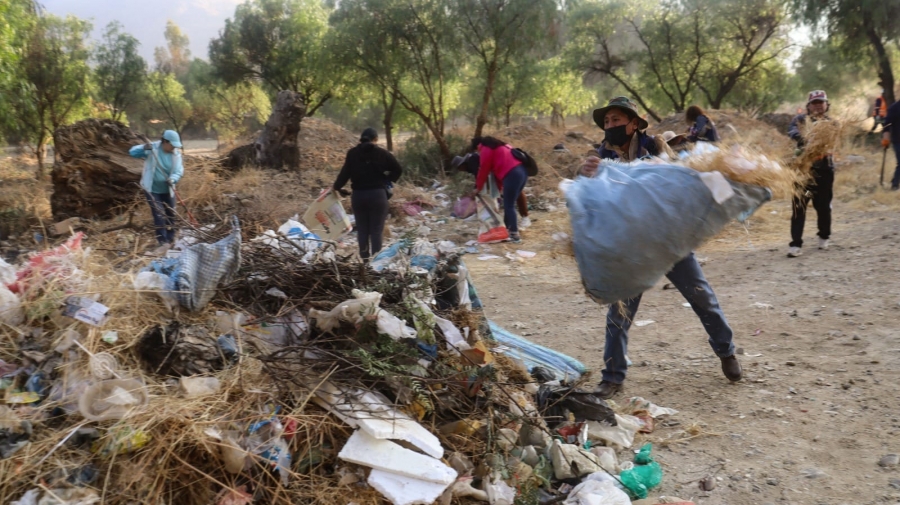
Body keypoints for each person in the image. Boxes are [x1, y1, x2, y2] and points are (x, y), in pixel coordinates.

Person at [580, 96, 741, 399]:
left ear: (633, 123)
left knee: (702, 297)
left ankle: (726, 350)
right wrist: (587, 174)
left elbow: (672, 178)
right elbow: (590, 196)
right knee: (619, 312)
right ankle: (612, 377)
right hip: (630, 245)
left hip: (669, 239)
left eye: (616, 120)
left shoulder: (654, 146)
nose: (611, 126)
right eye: (607, 122)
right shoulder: (599, 154)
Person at [333, 128, 403, 261]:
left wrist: (337, 187)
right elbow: (398, 169)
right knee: (376, 231)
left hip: (358, 197)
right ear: (375, 139)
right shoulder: (382, 153)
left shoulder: (352, 153)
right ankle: (376, 263)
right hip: (378, 196)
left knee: (363, 230)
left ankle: (365, 262)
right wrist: (387, 179)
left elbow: (344, 175)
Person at [787, 90, 836, 257]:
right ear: (808, 106)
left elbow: (834, 138)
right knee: (799, 205)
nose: (818, 105)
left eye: (820, 102)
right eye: (814, 103)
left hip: (824, 174)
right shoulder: (800, 121)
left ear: (826, 105)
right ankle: (795, 244)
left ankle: (824, 236)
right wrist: (803, 139)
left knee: (822, 206)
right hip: (804, 174)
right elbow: (792, 131)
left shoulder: (832, 123)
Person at [129, 130, 184, 255]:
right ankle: (162, 241)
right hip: (152, 189)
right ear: (165, 141)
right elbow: (132, 152)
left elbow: (179, 171)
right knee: (159, 214)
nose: (174, 147)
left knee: (171, 213)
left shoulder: (176, 154)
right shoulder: (152, 149)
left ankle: (170, 239)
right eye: (172, 144)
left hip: (168, 190)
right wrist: (143, 147)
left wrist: (173, 179)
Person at [465, 136, 529, 243]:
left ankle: (514, 234)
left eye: (477, 151)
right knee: (510, 203)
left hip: (511, 174)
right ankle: (507, 229)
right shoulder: (501, 146)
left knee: (509, 205)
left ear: (477, 146)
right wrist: (499, 190)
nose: (478, 153)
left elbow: (483, 170)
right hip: (522, 172)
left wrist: (478, 188)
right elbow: (498, 172)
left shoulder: (485, 149)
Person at [452, 151, 530, 227]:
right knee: (489, 194)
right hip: (499, 172)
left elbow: (481, 174)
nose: (461, 170)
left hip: (505, 170)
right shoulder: (470, 163)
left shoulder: (472, 160)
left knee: (515, 193)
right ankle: (482, 214)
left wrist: (477, 188)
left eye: (459, 169)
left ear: (461, 165)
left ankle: (524, 217)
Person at [882, 96, 900, 190]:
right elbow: (887, 125)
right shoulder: (894, 108)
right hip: (898, 140)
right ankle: (895, 185)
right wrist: (886, 138)